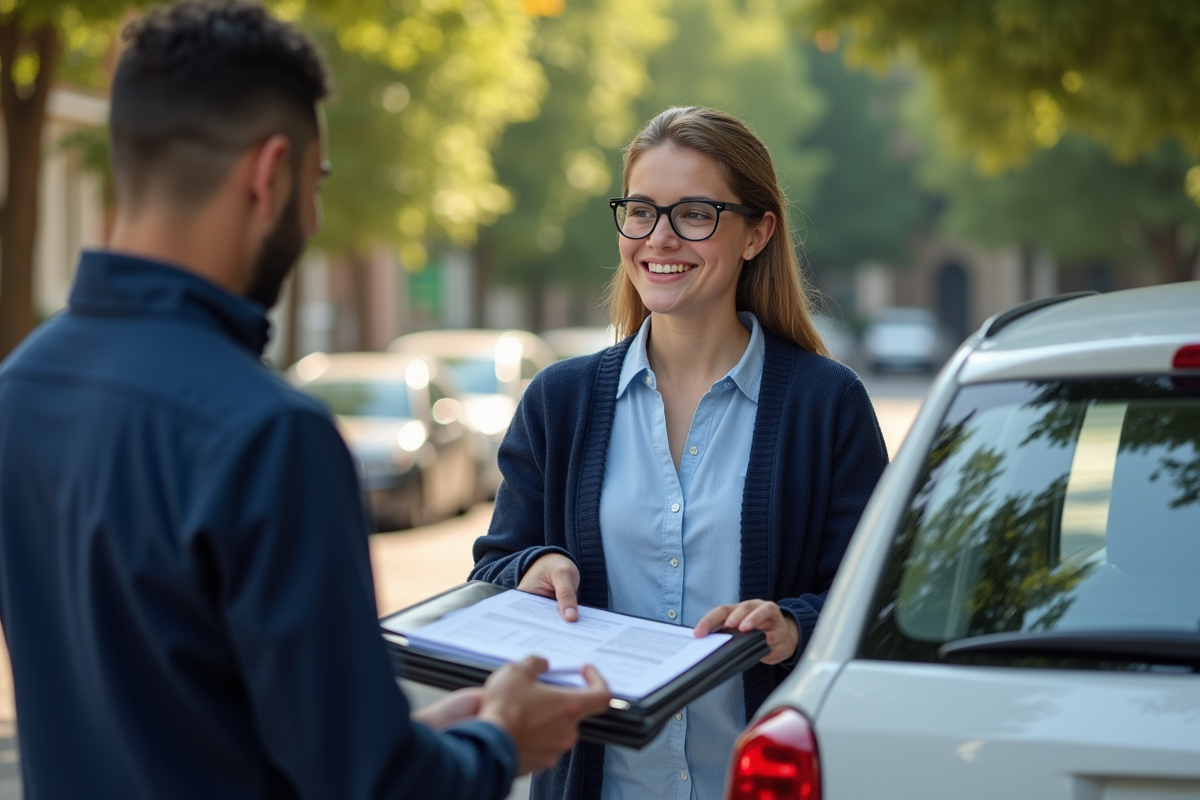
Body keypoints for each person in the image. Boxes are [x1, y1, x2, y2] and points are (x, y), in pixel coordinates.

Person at [0, 2, 609, 798]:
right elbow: (374, 788)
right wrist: (502, 740)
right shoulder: (268, 433)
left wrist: (418, 736)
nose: (315, 216)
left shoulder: (23, 386)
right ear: (270, 173)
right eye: (316, 184)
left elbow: (185, 727)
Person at [470, 105, 889, 800]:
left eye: (694, 213)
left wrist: (791, 625)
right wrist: (534, 566)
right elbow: (492, 569)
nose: (659, 239)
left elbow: (876, 603)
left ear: (757, 232)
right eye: (640, 211)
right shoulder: (560, 402)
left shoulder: (827, 404)